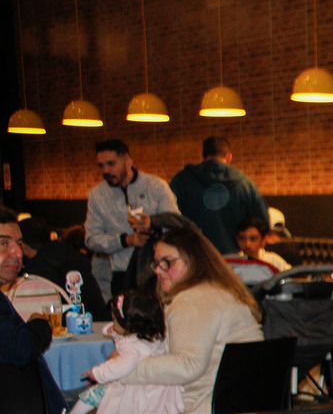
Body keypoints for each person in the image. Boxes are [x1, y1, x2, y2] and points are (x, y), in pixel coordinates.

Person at [118, 226, 263, 414]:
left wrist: (121, 370)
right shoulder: (215, 292)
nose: (158, 270)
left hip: (200, 413)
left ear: (194, 261)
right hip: (235, 407)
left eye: (167, 262)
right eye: (156, 263)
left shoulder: (195, 299)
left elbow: (188, 365)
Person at [1, 208, 67, 414]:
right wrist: (40, 325)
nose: (17, 253)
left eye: (18, 243)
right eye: (3, 243)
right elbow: (20, 348)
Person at [53, 290, 184, 414]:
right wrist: (115, 331)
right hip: (156, 389)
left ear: (127, 324)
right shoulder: (154, 338)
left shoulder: (131, 347)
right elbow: (126, 341)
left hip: (133, 389)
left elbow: (122, 366)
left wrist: (97, 373)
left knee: (90, 396)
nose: (113, 323)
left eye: (115, 320)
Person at [85, 139, 179, 300]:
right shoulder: (97, 195)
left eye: (111, 164)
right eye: (101, 166)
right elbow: (91, 240)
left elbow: (176, 225)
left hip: (156, 272)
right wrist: (125, 240)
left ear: (128, 161)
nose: (106, 170)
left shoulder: (156, 186)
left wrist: (153, 226)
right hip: (121, 274)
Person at [170, 136, 270, 255]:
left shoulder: (181, 181)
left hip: (195, 255)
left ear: (201, 157)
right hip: (234, 256)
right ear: (229, 158)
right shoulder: (245, 184)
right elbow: (262, 223)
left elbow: (171, 220)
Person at [17, 216, 109, 320]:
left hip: (66, 326)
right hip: (96, 322)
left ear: (23, 246)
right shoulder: (72, 256)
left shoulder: (36, 271)